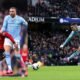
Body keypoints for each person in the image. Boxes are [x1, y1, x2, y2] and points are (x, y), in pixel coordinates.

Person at [0, 7, 28, 75]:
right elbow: (4, 26)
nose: (11, 12)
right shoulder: (7, 18)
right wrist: (1, 31)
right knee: (6, 54)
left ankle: (24, 67)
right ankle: (10, 69)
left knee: (17, 55)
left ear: (15, 12)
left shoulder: (20, 19)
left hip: (16, 39)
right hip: (7, 38)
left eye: (12, 11)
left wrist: (23, 29)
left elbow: (26, 24)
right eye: (10, 11)